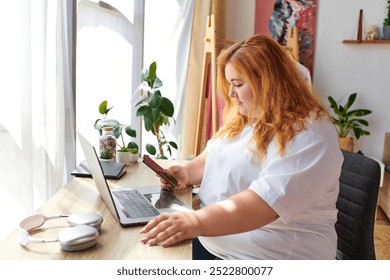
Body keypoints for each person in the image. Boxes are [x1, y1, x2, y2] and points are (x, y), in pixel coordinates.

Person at [140, 34, 343, 260]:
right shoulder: (251, 115)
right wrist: (187, 172)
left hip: (270, 255)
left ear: (267, 82)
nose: (231, 93)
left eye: (237, 84)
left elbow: (263, 204)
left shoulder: (310, 134)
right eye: (229, 84)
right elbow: (215, 155)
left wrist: (196, 221)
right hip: (218, 241)